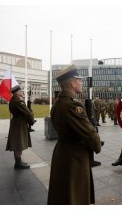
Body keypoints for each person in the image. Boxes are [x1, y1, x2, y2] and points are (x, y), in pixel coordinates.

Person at [47, 65, 102, 205]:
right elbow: (89, 133)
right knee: (76, 195)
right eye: (80, 80)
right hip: (74, 156)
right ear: (72, 83)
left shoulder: (58, 102)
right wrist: (97, 145)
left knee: (63, 194)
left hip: (63, 152)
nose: (82, 83)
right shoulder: (72, 105)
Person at [6, 85, 35, 169]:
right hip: (19, 124)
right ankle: (18, 164)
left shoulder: (14, 99)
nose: (23, 92)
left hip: (16, 123)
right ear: (17, 92)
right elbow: (27, 113)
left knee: (18, 143)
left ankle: (18, 162)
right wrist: (31, 120)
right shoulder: (18, 100)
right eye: (21, 91)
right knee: (18, 144)